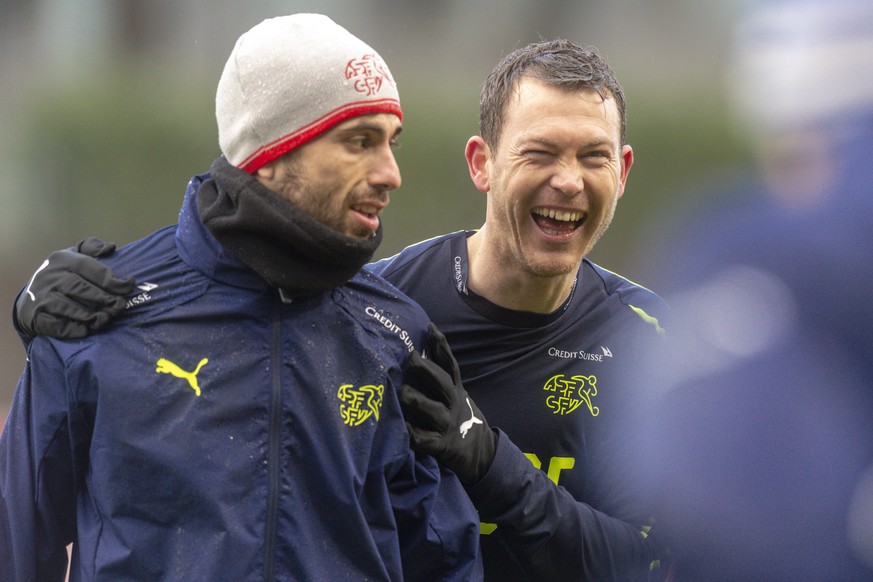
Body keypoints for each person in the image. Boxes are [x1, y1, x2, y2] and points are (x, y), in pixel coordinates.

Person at [12, 39, 671, 580]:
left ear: (624, 170)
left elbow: (663, 561)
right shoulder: (384, 313)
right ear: (483, 164)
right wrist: (57, 313)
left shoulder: (661, 347)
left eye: (593, 156)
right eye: (539, 152)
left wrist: (489, 462)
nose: (567, 179)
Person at [0, 13, 483, 581]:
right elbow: (16, 545)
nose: (391, 173)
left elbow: (443, 557)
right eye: (360, 142)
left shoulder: (395, 333)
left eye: (391, 143)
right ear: (273, 152)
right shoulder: (96, 315)